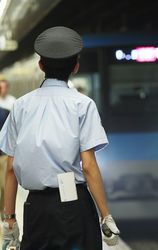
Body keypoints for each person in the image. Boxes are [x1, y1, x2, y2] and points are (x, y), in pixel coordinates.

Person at [0, 26, 120, 250]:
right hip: (75, 206)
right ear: (76, 66)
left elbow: (10, 167)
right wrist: (106, 217)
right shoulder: (83, 104)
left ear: (41, 65)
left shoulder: (20, 106)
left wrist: (9, 219)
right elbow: (89, 166)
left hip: (35, 208)